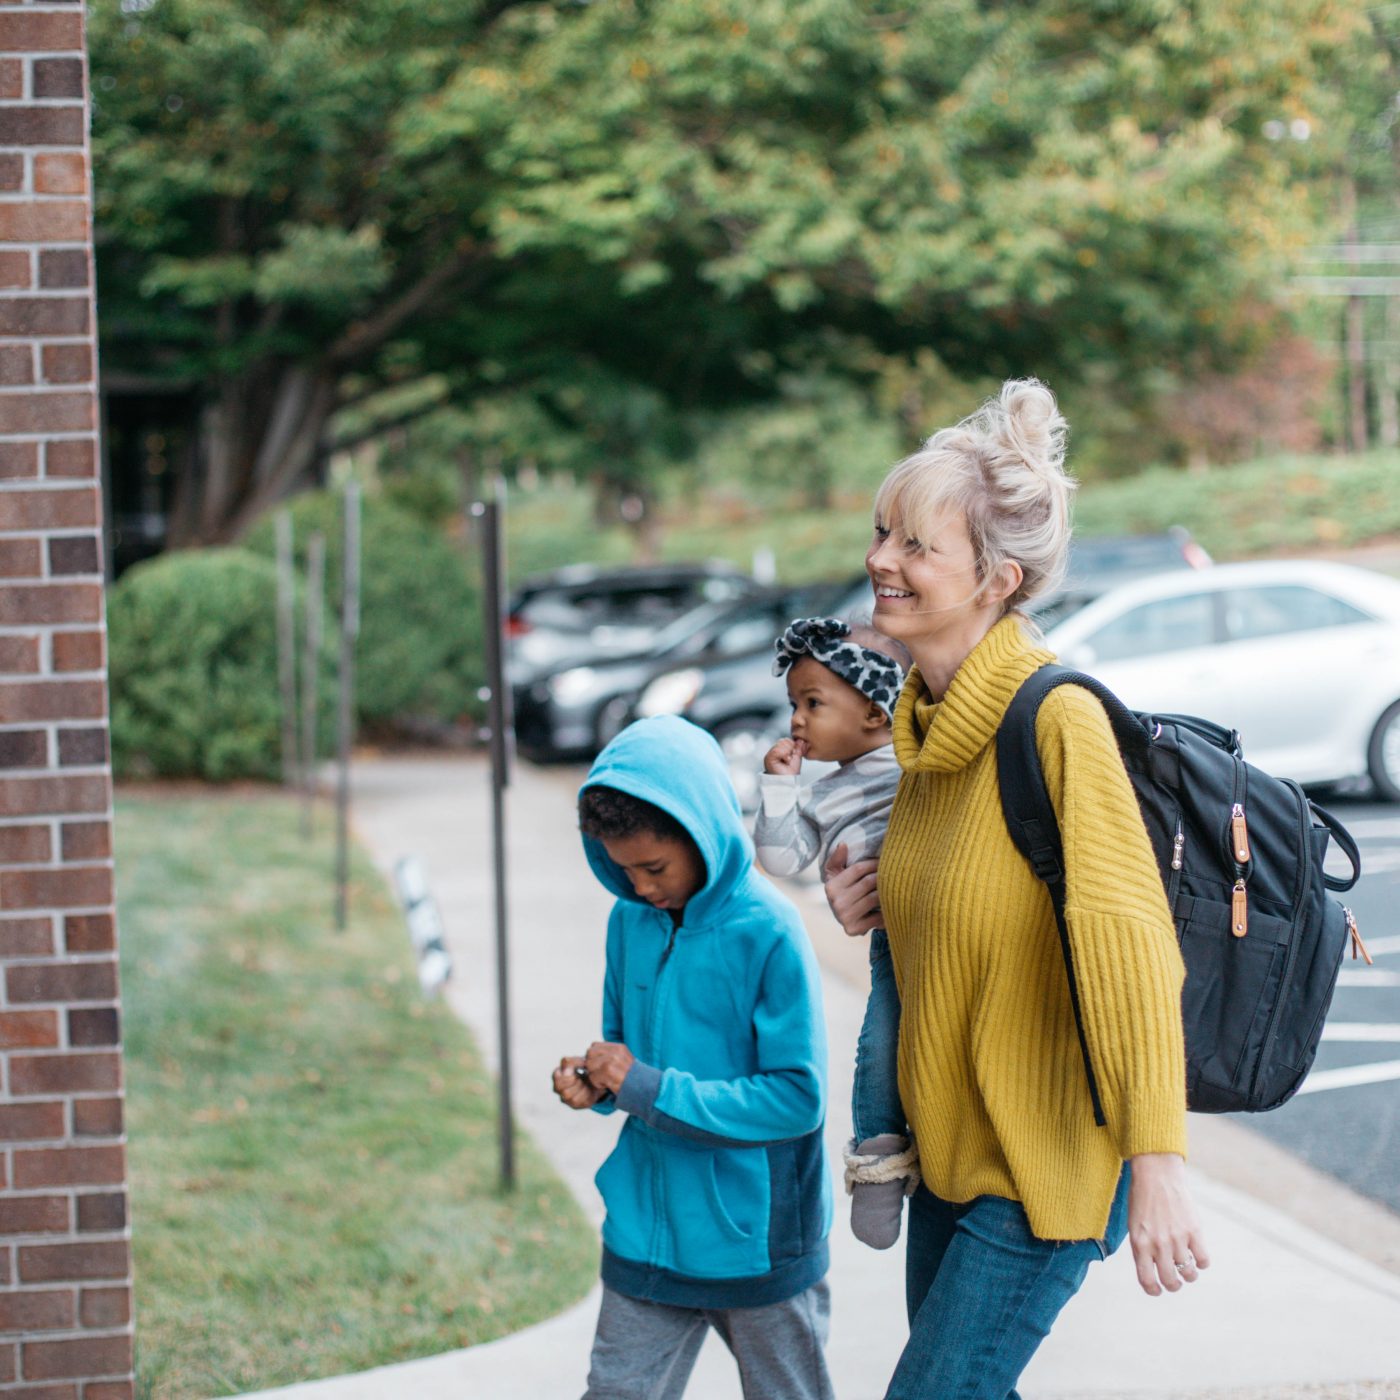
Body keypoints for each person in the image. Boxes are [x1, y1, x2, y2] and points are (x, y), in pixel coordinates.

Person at [822, 379, 1209, 1400]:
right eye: (881, 533)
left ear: (996, 579)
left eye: (916, 545)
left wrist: (1157, 1158)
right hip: (952, 1157)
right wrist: (875, 904)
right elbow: (963, 913)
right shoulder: (928, 729)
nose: (881, 559)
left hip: (1041, 1166)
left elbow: (1129, 944)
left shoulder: (1053, 719)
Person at [553, 714, 835, 1400]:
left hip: (755, 1239)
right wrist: (600, 1085)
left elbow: (797, 1098)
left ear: (703, 833)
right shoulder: (629, 921)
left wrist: (644, 1087)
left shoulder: (768, 931)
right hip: (646, 1232)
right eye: (624, 870)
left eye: (655, 868)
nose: (642, 887)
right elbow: (628, 1060)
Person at [753, 615, 917, 1251]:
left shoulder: (918, 762)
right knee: (878, 1046)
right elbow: (782, 859)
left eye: (813, 703)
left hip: (939, 927)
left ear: (875, 712)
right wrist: (779, 789)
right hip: (890, 946)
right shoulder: (825, 795)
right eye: (794, 704)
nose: (796, 719)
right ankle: (878, 1162)